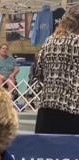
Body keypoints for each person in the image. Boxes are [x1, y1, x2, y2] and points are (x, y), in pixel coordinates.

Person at [34, 6, 79, 134]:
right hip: (73, 109)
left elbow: (38, 72)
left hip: (47, 109)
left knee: (46, 147)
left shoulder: (49, 41)